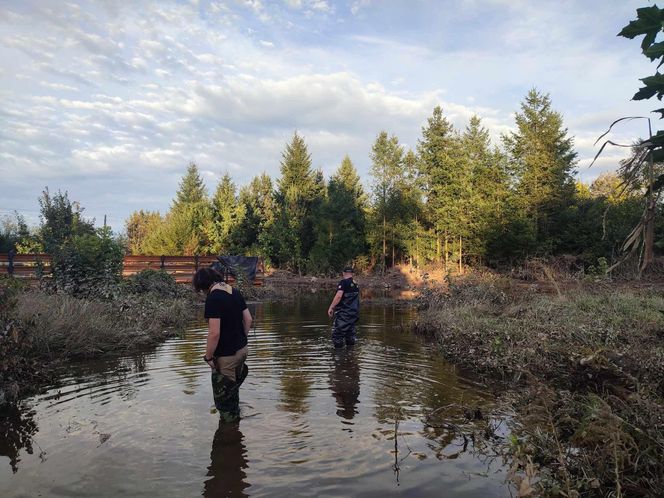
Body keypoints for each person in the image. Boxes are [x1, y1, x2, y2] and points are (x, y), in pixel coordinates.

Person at [193, 267, 252, 422]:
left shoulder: (213, 298)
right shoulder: (234, 291)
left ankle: (229, 437)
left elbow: (214, 333)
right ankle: (236, 429)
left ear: (203, 285)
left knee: (225, 404)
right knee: (233, 392)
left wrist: (208, 357)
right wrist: (240, 339)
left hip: (226, 356)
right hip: (242, 351)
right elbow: (248, 320)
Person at [327, 266, 360, 348]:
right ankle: (350, 354)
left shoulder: (343, 283)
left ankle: (338, 356)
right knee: (350, 334)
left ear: (343, 273)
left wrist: (331, 307)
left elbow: (338, 297)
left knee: (337, 335)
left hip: (344, 314)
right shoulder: (355, 284)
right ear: (352, 274)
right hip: (353, 313)